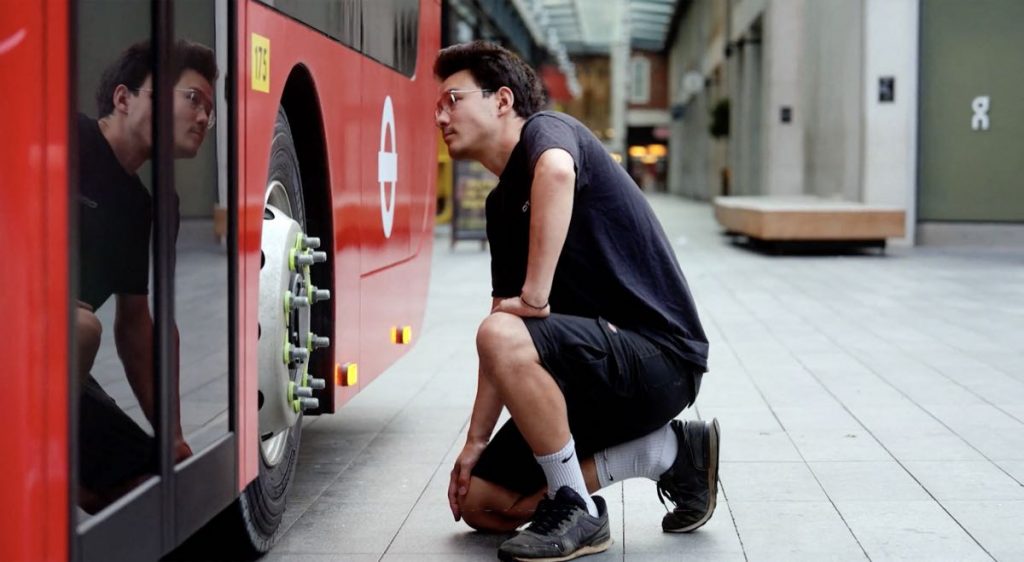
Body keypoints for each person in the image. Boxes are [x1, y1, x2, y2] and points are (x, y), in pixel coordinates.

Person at [435, 41, 720, 561]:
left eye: (452, 99)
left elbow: (558, 173)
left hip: (660, 359)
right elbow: (502, 331)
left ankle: (579, 509)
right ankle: (668, 453)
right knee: (481, 502)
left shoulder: (549, 131)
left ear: (502, 100)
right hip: (589, 373)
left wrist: (536, 295)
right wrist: (474, 441)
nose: (440, 115)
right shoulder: (501, 206)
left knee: (502, 329)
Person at [76, 38, 218, 513]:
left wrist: (173, 437)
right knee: (80, 327)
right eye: (191, 98)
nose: (202, 118)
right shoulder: (62, 136)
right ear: (123, 98)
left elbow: (137, 325)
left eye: (209, 110)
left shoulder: (150, 208)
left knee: (150, 485)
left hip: (53, 367)